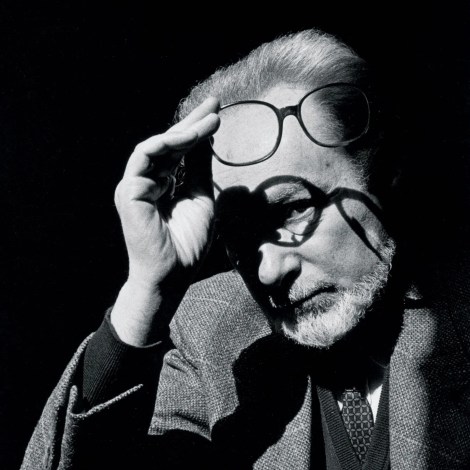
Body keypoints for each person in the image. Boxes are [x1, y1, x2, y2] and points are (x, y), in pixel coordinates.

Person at [21, 29, 470, 469]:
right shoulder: (208, 330)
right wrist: (147, 289)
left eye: (293, 210)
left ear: (387, 175)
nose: (268, 271)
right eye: (237, 234)